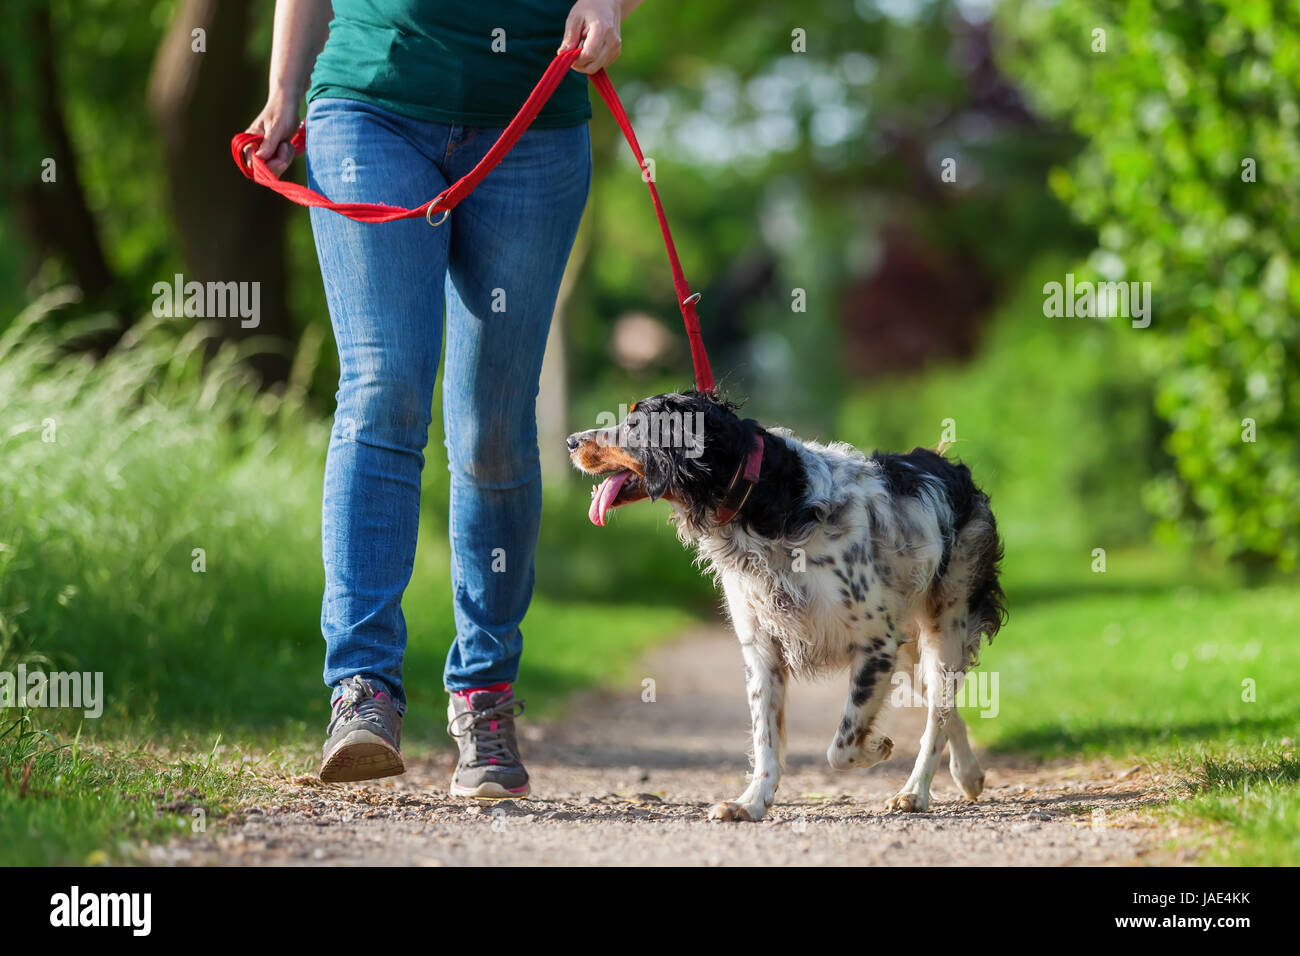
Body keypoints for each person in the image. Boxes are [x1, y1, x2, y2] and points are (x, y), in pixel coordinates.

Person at [245, 0, 639, 796]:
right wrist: (284, 89)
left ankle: (485, 695)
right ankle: (362, 691)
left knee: (491, 426)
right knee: (384, 386)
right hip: (372, 100)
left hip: (532, 119)